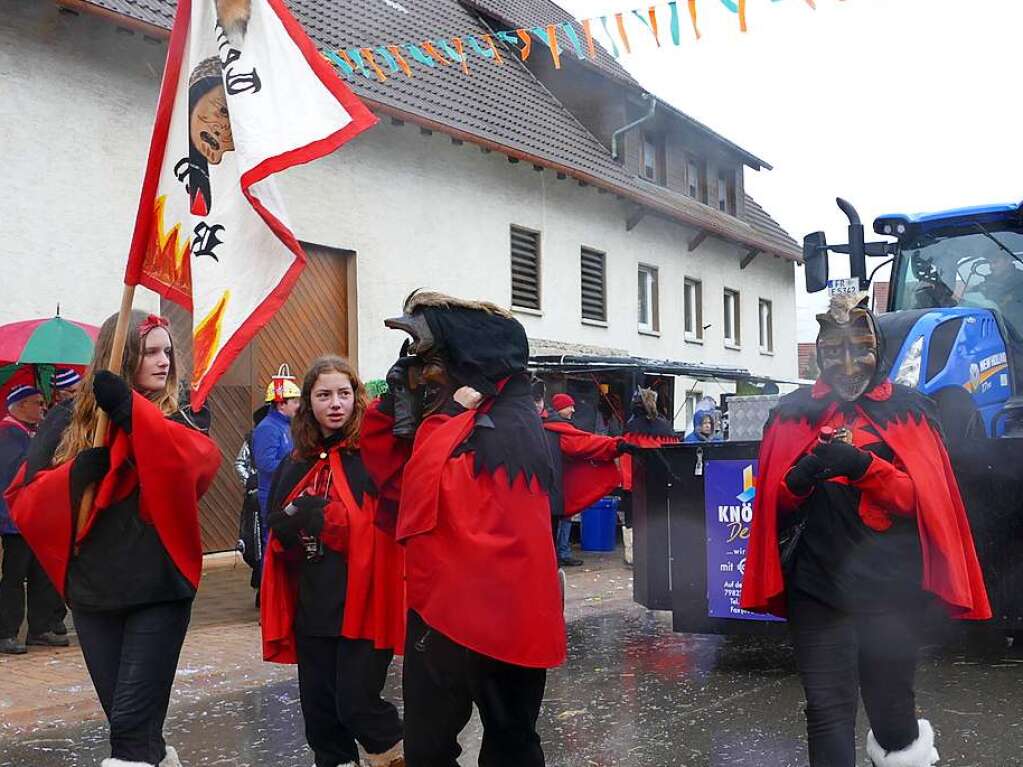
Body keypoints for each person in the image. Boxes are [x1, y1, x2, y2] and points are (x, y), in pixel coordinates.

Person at [741, 293, 991, 767]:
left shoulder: (910, 410)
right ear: (818, 351)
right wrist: (801, 477)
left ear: (880, 348)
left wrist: (862, 466)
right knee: (827, 711)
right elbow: (778, 504)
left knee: (893, 714)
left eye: (860, 347)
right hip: (817, 586)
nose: (848, 362)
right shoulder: (792, 413)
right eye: (834, 350)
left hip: (890, 589)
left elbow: (919, 501)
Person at [5, 310, 221, 767]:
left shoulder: (181, 413)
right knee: (133, 727)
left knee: (128, 730)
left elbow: (197, 466)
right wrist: (74, 476)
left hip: (159, 590)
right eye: (150, 352)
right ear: (121, 355)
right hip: (94, 593)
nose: (164, 362)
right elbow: (22, 498)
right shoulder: (67, 417)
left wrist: (130, 410)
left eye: (167, 352)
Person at [361, 291, 562, 767]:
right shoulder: (452, 418)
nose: (421, 371)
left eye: (430, 360)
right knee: (428, 750)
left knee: (511, 748)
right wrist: (395, 408)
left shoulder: (506, 426)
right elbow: (390, 480)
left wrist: (442, 420)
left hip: (495, 623)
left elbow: (425, 496)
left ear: (465, 360)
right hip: (441, 620)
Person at [261, 355, 405, 767]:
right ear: (309, 402)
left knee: (357, 704)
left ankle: (396, 756)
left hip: (363, 602)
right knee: (320, 714)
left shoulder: (372, 458)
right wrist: (286, 532)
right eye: (324, 395)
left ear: (357, 399)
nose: (335, 404)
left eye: (344, 393)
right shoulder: (296, 463)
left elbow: (380, 531)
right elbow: (279, 534)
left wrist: (325, 517)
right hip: (314, 602)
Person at [536, 386, 631, 568]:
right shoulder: (557, 431)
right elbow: (585, 444)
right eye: (569, 406)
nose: (573, 409)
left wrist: (615, 446)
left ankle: (559, 556)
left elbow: (585, 444)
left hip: (542, 496)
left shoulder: (543, 428)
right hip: (550, 497)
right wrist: (615, 445)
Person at [0, 385, 63, 653]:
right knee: (14, 579)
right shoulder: (9, 434)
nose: (43, 407)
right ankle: (6, 634)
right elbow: (17, 475)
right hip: (16, 521)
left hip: (36, 519)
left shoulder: (28, 432)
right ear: (21, 406)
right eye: (37, 403)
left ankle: (41, 629)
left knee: (43, 575)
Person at [620, 388, 680, 565]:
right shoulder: (666, 427)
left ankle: (632, 557)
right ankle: (659, 552)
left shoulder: (631, 428)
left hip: (636, 483)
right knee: (658, 517)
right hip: (662, 482)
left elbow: (626, 459)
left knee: (632, 521)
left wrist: (626, 483)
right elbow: (674, 456)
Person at [252, 365, 301, 554]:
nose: (299, 405)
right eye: (295, 401)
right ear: (281, 405)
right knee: (272, 543)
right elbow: (266, 464)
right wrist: (296, 465)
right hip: (272, 495)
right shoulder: (268, 428)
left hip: (284, 491)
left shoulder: (285, 426)